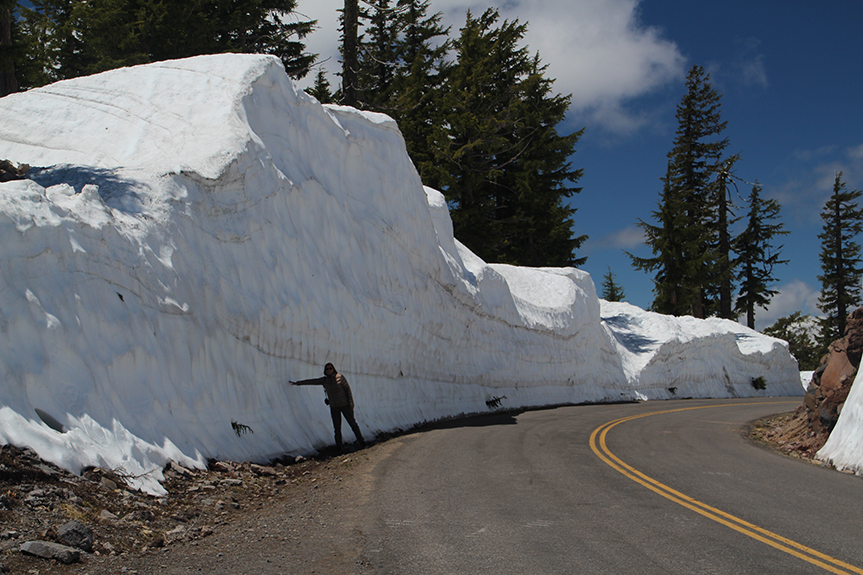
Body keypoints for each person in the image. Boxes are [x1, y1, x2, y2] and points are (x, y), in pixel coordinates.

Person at [289, 363, 365, 450]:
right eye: (327, 369)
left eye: (330, 368)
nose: (329, 370)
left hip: (345, 405)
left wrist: (351, 403)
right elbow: (312, 381)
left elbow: (348, 390)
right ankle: (339, 446)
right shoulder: (325, 380)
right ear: (325, 371)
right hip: (334, 407)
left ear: (333, 369)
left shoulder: (340, 377)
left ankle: (361, 441)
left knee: (352, 423)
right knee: (337, 427)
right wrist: (297, 383)